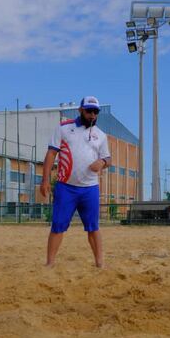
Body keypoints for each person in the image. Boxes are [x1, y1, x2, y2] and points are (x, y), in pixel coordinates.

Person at [40, 96, 111, 268]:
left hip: (90, 189)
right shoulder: (64, 128)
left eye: (95, 112)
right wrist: (45, 180)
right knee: (57, 226)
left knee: (93, 228)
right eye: (89, 111)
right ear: (80, 110)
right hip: (66, 187)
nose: (92, 115)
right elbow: (51, 154)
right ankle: (50, 263)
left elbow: (108, 158)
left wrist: (102, 163)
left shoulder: (101, 135)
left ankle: (99, 263)